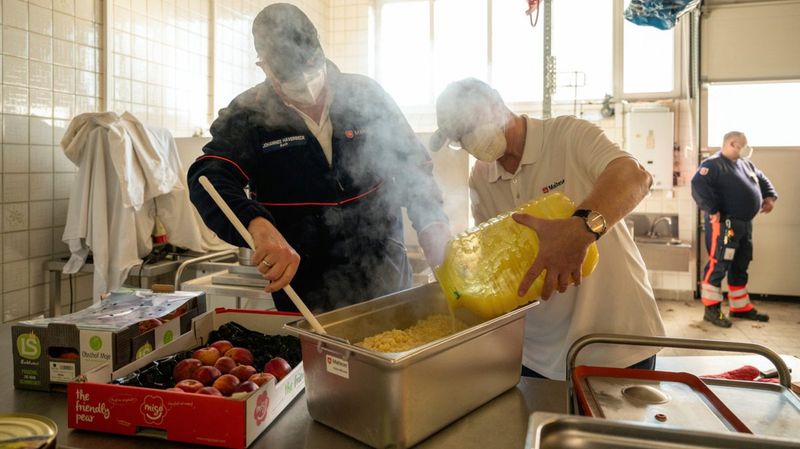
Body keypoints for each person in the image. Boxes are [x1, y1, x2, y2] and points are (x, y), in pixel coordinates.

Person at [189, 3, 451, 313]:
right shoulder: (248, 114)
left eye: (310, 65)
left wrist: (431, 222)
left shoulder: (366, 95)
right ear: (266, 67)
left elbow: (412, 167)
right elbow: (206, 178)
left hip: (386, 278)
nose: (304, 81)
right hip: (307, 297)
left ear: (319, 50)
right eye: (289, 75)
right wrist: (255, 224)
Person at [430, 78, 665, 380]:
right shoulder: (481, 178)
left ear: (496, 106)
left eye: (469, 128)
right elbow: (498, 260)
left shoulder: (567, 135)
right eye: (459, 140)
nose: (468, 143)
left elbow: (635, 176)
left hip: (616, 342)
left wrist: (580, 229)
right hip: (537, 355)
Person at [691, 131, 777, 328]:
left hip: (745, 224)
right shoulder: (712, 164)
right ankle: (711, 309)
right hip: (725, 225)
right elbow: (697, 184)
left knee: (741, 262)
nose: (742, 150)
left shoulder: (744, 163)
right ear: (732, 143)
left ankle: (740, 307)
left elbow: (762, 180)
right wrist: (712, 209)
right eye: (741, 146)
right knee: (719, 263)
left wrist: (769, 197)